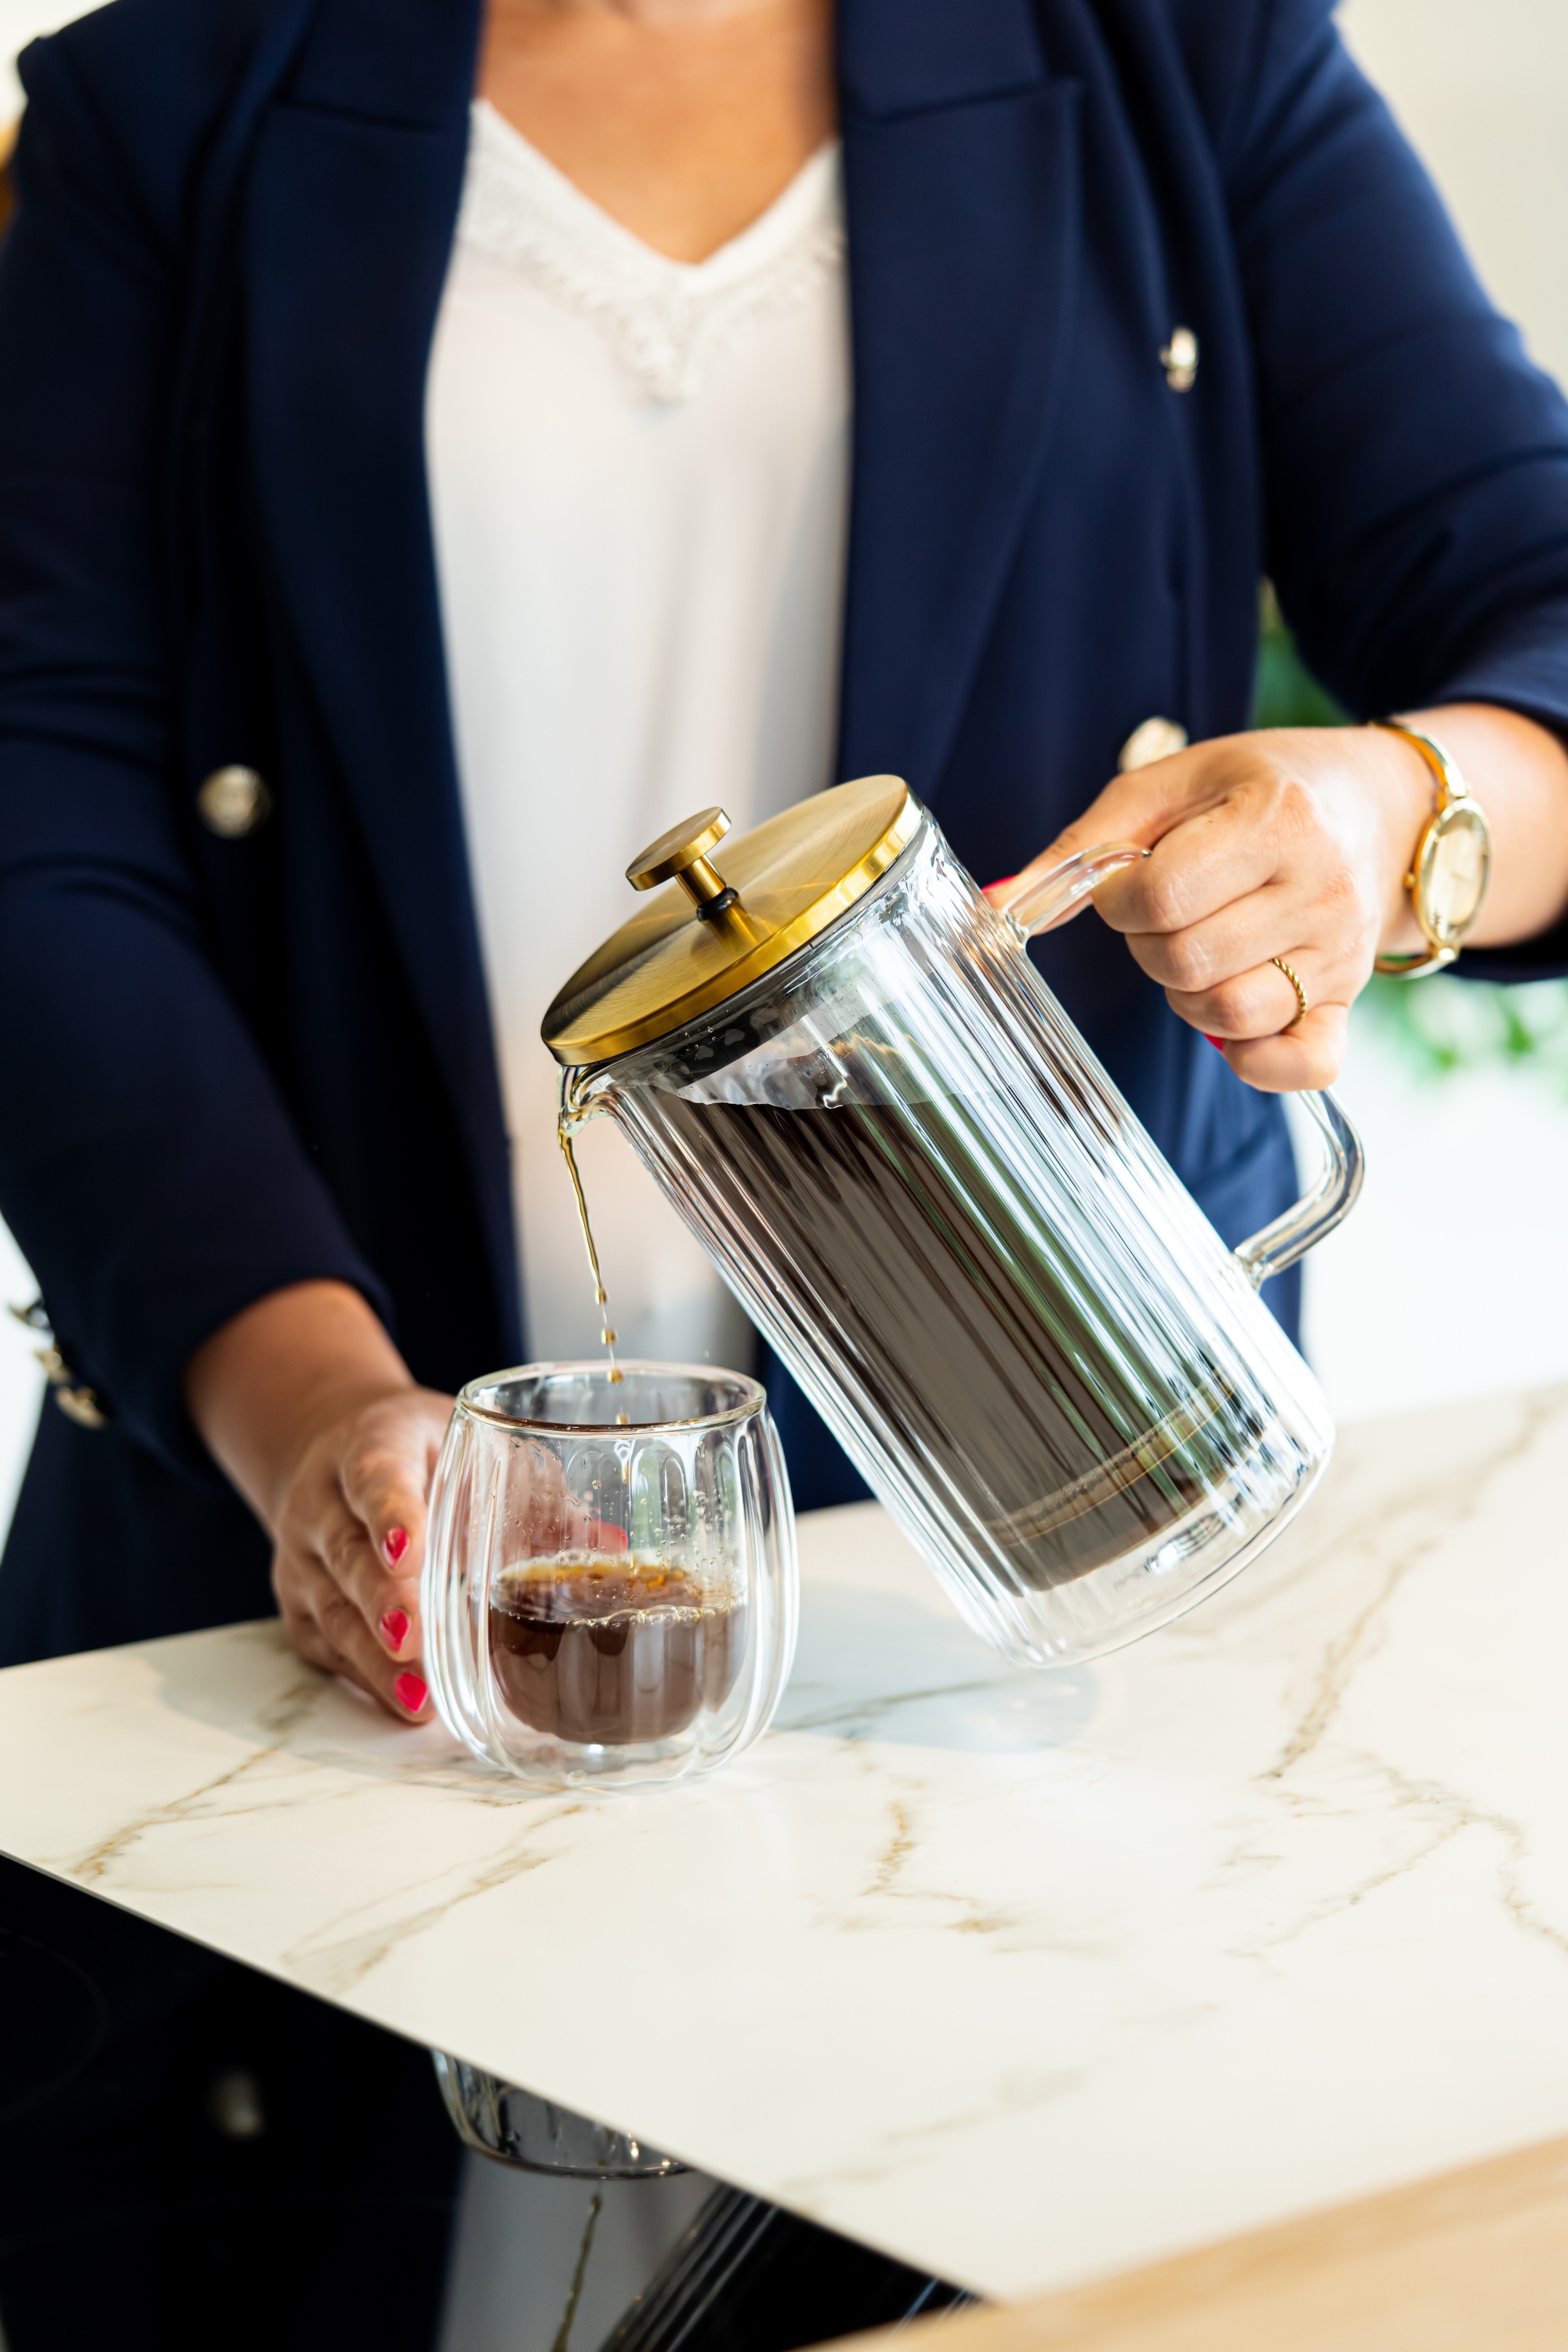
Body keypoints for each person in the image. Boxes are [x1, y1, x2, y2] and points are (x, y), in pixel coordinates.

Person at [1, 0, 1567, 2335]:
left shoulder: (1182, 47)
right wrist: (314, 1413)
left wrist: (1391, 806)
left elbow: (1536, 606)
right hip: (298, 1655)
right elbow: (40, 830)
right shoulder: (170, 101)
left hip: (1029, 1632)